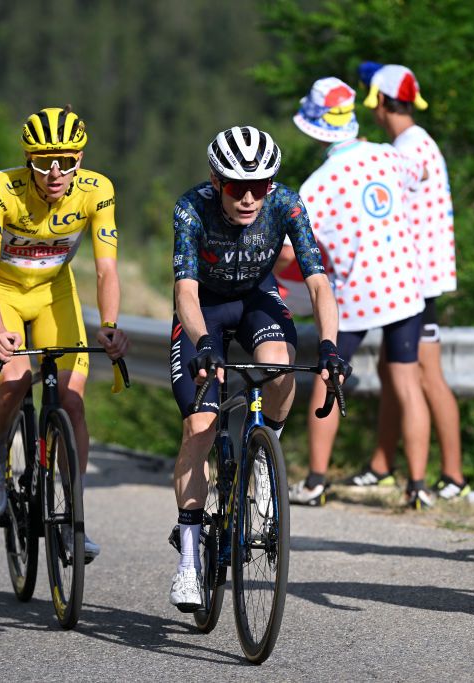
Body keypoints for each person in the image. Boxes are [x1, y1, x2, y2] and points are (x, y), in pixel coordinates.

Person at [168, 125, 345, 610]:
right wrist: (203, 341)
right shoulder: (191, 207)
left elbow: (319, 283)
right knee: (201, 427)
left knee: (280, 367)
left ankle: (265, 455)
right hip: (204, 307)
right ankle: (188, 560)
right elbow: (185, 291)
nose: (249, 198)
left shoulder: (286, 204)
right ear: (215, 180)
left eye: (259, 187)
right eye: (236, 187)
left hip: (255, 300)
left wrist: (330, 346)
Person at [0, 107, 129, 561]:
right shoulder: (1, 188)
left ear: (81, 157)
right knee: (16, 379)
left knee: (72, 400)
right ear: (28, 160)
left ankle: (74, 519)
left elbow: (106, 268)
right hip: (3, 291)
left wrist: (111, 325)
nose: (55, 172)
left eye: (66, 160)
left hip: (54, 292)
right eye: (43, 162)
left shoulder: (98, 191)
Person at [283, 77, 430, 509]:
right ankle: (418, 487)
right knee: (408, 383)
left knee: (328, 380)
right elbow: (418, 172)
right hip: (405, 286)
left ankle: (315, 481)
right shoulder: (387, 156)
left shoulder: (318, 185)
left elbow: (290, 252)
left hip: (354, 297)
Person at [358, 62, 466, 503]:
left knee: (426, 375)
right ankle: (382, 464)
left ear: (381, 102)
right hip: (414, 278)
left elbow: (405, 176)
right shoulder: (413, 142)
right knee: (393, 370)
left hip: (417, 282)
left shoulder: (411, 147)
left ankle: (454, 476)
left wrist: (367, 154)